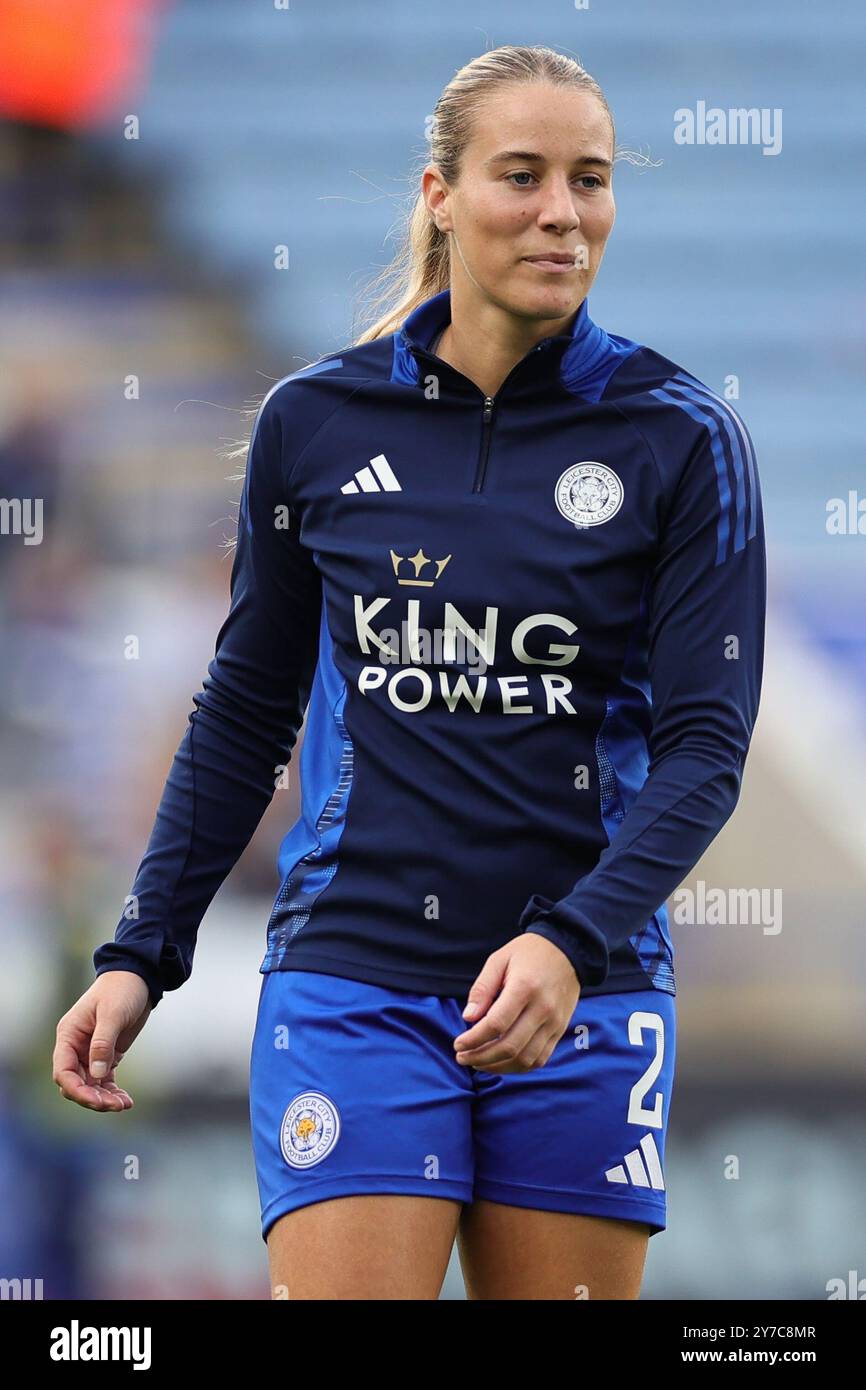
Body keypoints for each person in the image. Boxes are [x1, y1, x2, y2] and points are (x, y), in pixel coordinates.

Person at [52, 44, 766, 1300]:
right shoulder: (312, 423)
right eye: (522, 174)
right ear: (438, 193)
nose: (561, 210)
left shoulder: (679, 436)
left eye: (589, 179)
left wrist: (568, 940)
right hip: (352, 974)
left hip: (583, 993)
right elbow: (243, 711)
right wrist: (139, 949)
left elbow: (706, 748)